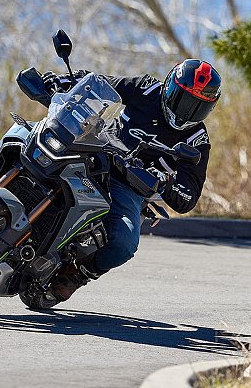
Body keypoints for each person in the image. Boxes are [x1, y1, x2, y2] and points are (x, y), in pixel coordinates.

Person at [24, 59, 221, 309]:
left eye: (197, 107)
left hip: (129, 185)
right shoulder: (146, 89)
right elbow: (98, 83)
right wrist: (62, 80)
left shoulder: (197, 140)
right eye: (183, 100)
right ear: (169, 86)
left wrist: (165, 183)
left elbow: (189, 196)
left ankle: (76, 274)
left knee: (125, 242)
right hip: (95, 150)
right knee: (32, 143)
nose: (187, 111)